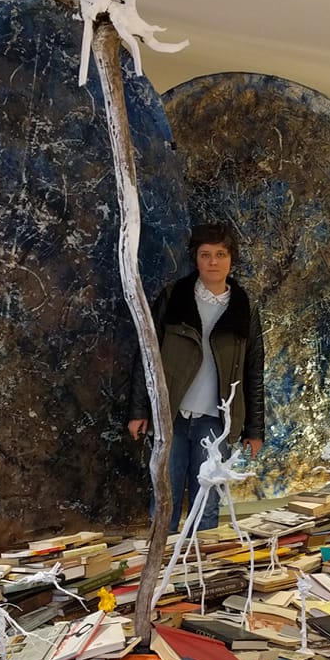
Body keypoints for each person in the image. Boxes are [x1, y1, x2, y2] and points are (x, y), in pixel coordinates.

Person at [128, 222, 266, 532]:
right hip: (171, 416)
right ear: (196, 258)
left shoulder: (244, 308)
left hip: (216, 423)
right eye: (206, 255)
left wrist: (254, 429)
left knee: (207, 503)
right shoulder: (174, 297)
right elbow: (147, 355)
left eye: (221, 254)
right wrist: (139, 410)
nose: (213, 262)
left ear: (231, 259)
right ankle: (162, 559)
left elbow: (253, 370)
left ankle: (201, 562)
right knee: (165, 497)